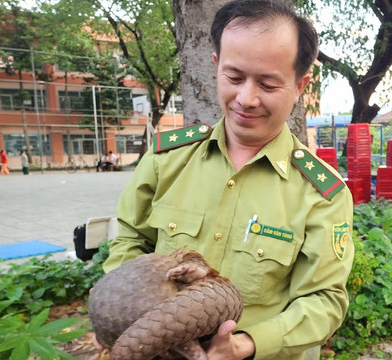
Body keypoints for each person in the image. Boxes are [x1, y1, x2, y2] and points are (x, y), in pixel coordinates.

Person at [102, 1, 354, 359]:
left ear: (300, 85)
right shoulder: (166, 161)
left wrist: (245, 345)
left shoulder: (320, 192)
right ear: (216, 65)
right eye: (234, 78)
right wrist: (127, 314)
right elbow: (130, 243)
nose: (246, 99)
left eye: (268, 85)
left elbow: (324, 301)